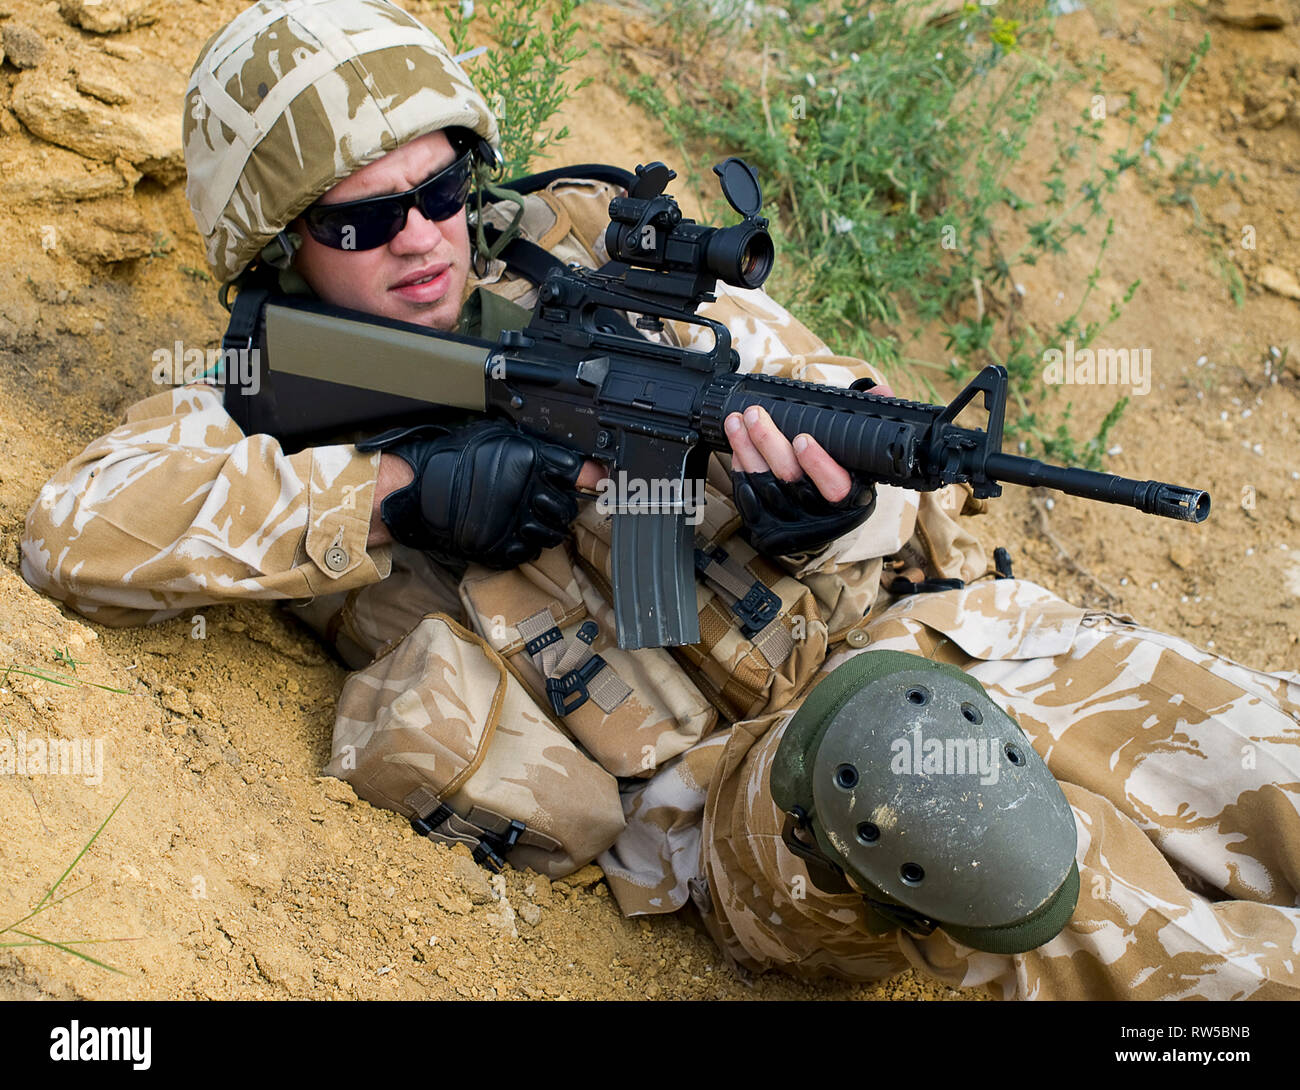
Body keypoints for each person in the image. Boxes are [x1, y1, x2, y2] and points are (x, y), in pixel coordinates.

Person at [22, 0, 1300, 1000]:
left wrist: (835, 514)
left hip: (935, 640)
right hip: (751, 806)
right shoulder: (257, 391)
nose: (423, 238)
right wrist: (404, 492)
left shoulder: (592, 270)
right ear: (273, 247)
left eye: (442, 191)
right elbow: (71, 533)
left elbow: (836, 414)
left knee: (1257, 759)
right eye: (364, 223)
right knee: (938, 782)